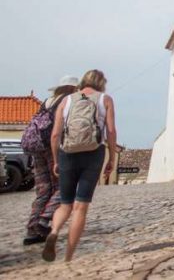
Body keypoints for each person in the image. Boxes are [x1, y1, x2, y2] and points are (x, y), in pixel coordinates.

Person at [42, 70, 117, 263]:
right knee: (81, 207)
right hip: (93, 153)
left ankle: (55, 231)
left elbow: (55, 134)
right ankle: (68, 257)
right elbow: (110, 130)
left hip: (67, 154)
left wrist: (56, 160)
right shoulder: (105, 99)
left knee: (65, 204)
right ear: (102, 83)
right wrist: (111, 159)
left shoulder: (67, 101)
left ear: (83, 82)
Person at [23, 75, 79, 246]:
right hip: (52, 147)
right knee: (64, 187)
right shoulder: (68, 102)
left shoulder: (47, 102)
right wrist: (57, 159)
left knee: (43, 189)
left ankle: (32, 230)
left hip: (36, 147)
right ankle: (44, 220)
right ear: (73, 88)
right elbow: (56, 133)